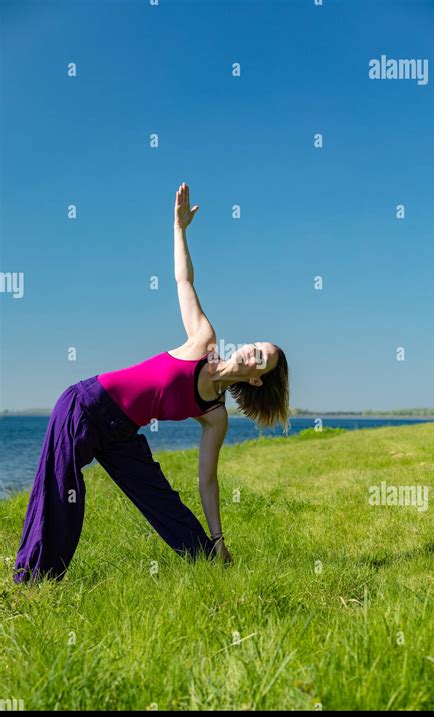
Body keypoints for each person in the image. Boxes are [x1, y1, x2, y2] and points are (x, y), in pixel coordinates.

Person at [13, 183, 290, 584]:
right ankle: (34, 580)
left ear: (258, 378)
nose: (251, 351)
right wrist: (179, 229)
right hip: (86, 405)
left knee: (163, 503)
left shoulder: (215, 416)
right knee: (62, 491)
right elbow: (184, 282)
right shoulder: (204, 341)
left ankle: (208, 562)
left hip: (122, 432)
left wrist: (217, 537)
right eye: (256, 346)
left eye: (260, 357)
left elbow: (207, 481)